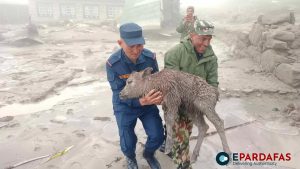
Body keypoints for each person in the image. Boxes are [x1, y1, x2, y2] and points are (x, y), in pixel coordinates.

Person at [106, 23, 164, 169]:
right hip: (125, 106)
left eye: (139, 45)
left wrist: (158, 97)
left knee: (157, 135)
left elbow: (156, 81)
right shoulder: (113, 64)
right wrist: (140, 101)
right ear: (120, 43)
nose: (136, 50)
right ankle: (131, 158)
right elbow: (120, 94)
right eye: (131, 46)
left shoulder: (150, 58)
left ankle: (149, 154)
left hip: (147, 104)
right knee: (127, 140)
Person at [164, 20, 218, 169]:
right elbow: (171, 87)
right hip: (177, 104)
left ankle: (169, 135)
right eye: (203, 38)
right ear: (192, 35)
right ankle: (183, 164)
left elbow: (213, 83)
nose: (206, 43)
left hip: (196, 106)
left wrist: (208, 102)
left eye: (209, 39)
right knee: (182, 139)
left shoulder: (211, 58)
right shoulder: (174, 54)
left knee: (185, 132)